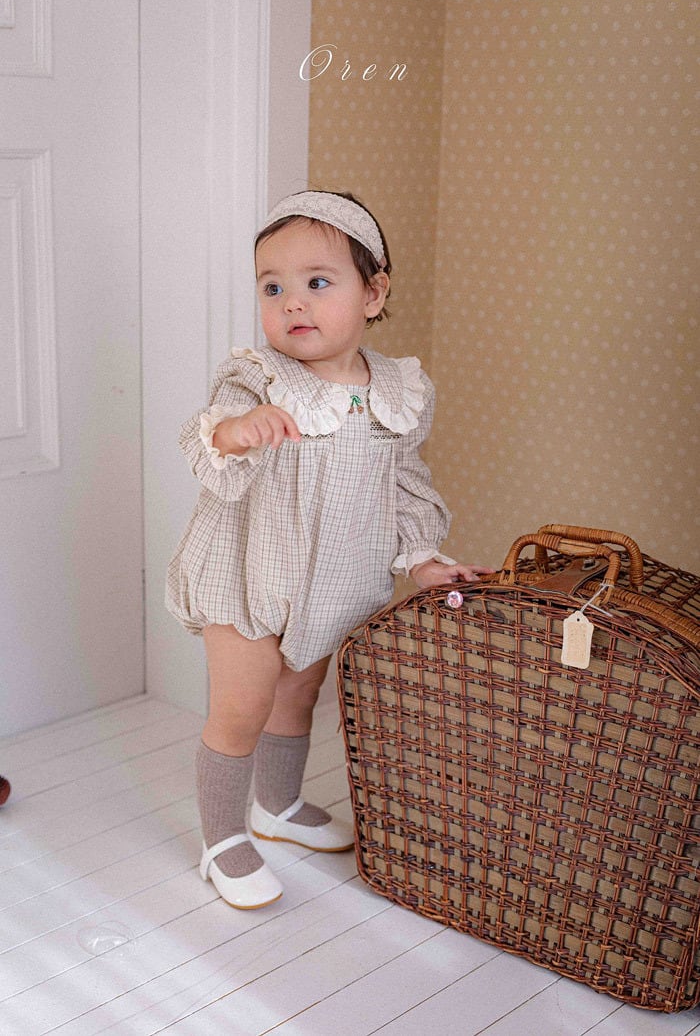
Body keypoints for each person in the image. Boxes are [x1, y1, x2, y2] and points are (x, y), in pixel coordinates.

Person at [166, 190, 491, 910]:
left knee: (299, 695)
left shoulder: (397, 390)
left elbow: (404, 483)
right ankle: (222, 839)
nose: (292, 303)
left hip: (333, 580)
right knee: (244, 706)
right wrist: (238, 431)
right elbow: (208, 430)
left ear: (373, 294)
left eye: (318, 282)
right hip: (248, 572)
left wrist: (423, 558)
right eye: (272, 287)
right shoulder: (258, 376)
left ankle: (276, 806)